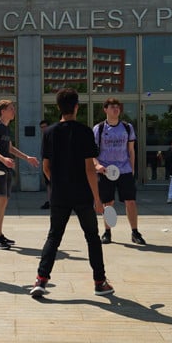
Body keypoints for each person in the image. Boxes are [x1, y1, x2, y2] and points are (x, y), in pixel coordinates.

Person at [31, 89, 114, 298]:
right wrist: (97, 198)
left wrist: (57, 185)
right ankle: (99, 282)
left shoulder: (49, 132)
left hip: (59, 194)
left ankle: (41, 280)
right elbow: (89, 169)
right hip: (83, 194)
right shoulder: (85, 132)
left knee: (54, 236)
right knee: (92, 238)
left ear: (58, 107)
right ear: (77, 107)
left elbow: (46, 167)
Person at [0, 100, 39, 250]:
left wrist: (27, 158)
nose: (14, 111)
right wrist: (3, 159)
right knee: (1, 199)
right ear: (2, 111)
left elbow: (10, 148)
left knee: (4, 200)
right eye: (11, 109)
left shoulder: (5, 127)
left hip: (5, 167)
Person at [93, 98, 145, 245]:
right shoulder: (99, 129)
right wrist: (97, 166)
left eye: (118, 107)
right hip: (106, 171)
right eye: (112, 107)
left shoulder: (127, 127)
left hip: (124, 170)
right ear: (105, 109)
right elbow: (92, 153)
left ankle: (135, 232)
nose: (116, 109)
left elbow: (131, 150)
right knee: (108, 203)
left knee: (131, 201)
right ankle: (107, 232)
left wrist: (132, 169)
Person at [39, 119, 51, 209]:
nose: (43, 129)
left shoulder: (52, 136)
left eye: (45, 127)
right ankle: (49, 200)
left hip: (53, 163)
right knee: (48, 183)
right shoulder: (44, 137)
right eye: (42, 127)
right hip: (46, 163)